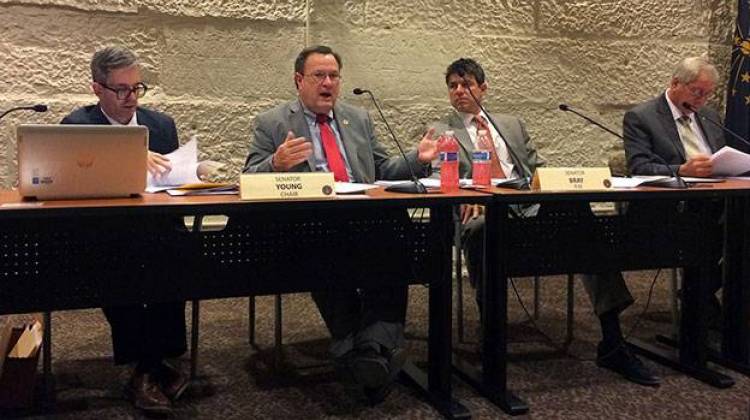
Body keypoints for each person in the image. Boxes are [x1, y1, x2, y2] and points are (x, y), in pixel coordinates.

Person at [429, 58, 660, 386]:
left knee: (581, 215)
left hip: (528, 206)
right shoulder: (442, 130)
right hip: (483, 211)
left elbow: (537, 166)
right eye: (452, 85)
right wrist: (464, 193)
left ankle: (612, 339)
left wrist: (558, 181)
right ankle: (490, 333)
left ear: (483, 88)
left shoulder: (511, 124)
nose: (458, 91)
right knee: (481, 230)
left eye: (466, 84)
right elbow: (439, 174)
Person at [244, 45, 439, 402]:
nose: (328, 83)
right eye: (319, 75)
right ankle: (371, 351)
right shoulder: (272, 122)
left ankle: (363, 349)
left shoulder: (357, 118)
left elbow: (381, 170)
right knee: (333, 248)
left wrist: (417, 158)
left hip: (364, 218)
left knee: (398, 237)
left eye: (334, 76)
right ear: (299, 80)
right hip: (309, 225)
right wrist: (275, 163)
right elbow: (248, 178)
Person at [61, 46, 189, 414]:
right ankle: (152, 368)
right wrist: (130, 155)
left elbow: (171, 179)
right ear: (96, 89)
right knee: (121, 261)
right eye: (120, 89)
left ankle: (149, 367)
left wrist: (192, 173)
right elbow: (76, 181)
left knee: (178, 250)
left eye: (137, 88)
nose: (130, 98)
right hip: (105, 232)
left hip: (156, 225)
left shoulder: (161, 125)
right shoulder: (78, 126)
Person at [623, 55, 726, 325]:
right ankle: (700, 300)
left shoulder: (709, 116)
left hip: (719, 198)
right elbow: (639, 166)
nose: (702, 101)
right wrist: (680, 169)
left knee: (742, 234)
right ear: (675, 83)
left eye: (707, 95)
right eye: (697, 92)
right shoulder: (642, 117)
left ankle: (704, 295)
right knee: (720, 231)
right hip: (673, 206)